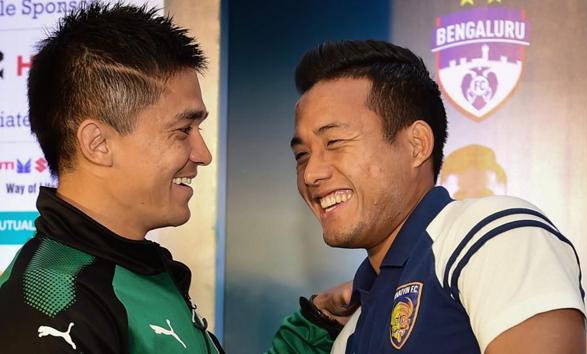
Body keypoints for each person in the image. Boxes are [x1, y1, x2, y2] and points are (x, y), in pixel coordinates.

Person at [0, 3, 341, 353]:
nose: (203, 154)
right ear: (98, 144)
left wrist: (314, 327)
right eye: (183, 130)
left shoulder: (135, 270)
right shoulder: (47, 304)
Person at [290, 39, 587, 353]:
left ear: (416, 144)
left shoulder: (491, 238)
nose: (311, 174)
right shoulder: (351, 332)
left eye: (334, 142)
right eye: (301, 155)